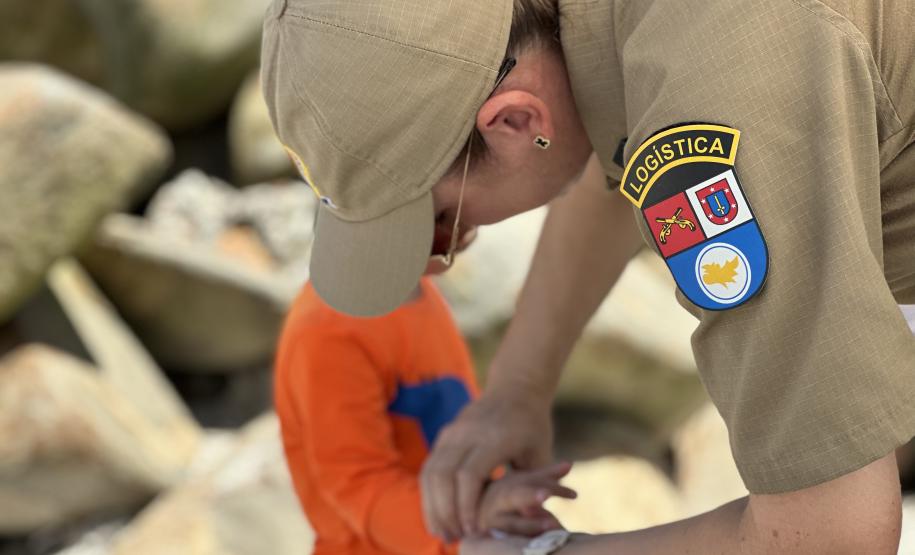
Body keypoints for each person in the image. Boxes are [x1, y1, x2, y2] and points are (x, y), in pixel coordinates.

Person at [262, 0, 915, 553]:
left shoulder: (713, 93)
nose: (435, 262)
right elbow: (625, 143)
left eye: (439, 226)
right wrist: (516, 385)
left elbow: (830, 530)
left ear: (515, 122)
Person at [274, 276, 576, 555]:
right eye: (447, 220)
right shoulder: (326, 329)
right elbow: (358, 486)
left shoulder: (422, 290)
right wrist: (472, 529)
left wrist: (496, 502)